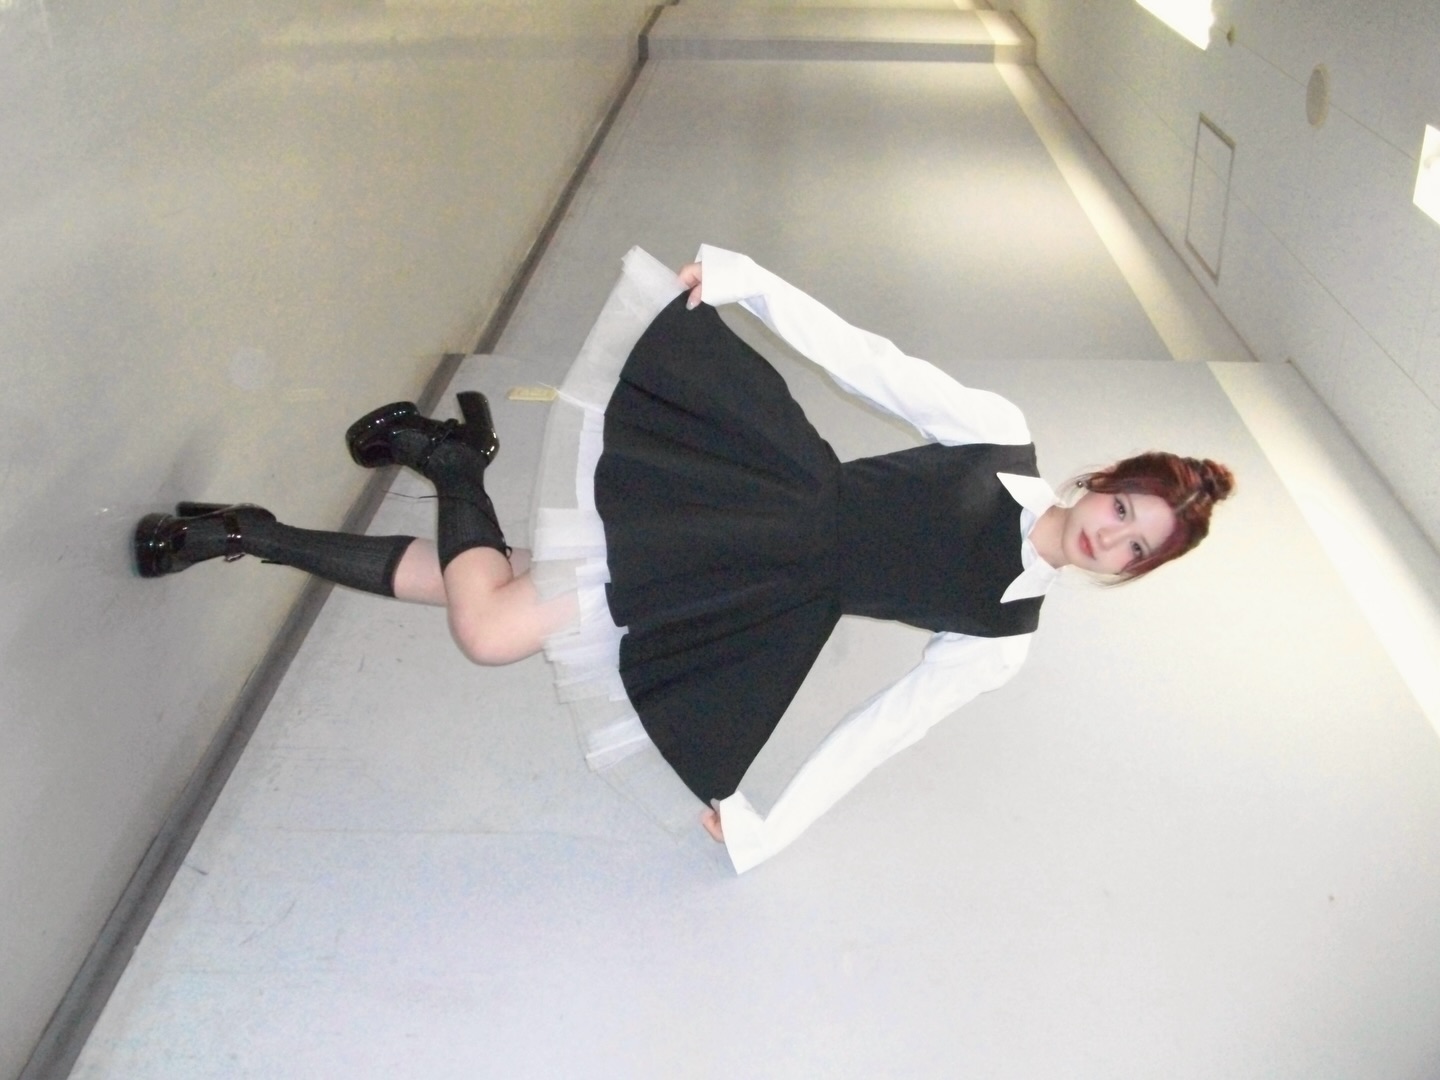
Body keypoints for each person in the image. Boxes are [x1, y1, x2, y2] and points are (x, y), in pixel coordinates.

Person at [134, 246, 1233, 873]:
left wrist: (766, 828)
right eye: (1123, 508)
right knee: (493, 627)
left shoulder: (1006, 637)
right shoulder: (999, 435)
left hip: (749, 600)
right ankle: (445, 465)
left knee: (493, 588)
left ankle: (251, 533)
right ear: (1104, 480)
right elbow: (875, 363)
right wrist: (750, 285)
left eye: (1135, 547)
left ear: (1129, 570)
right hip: (739, 494)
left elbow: (882, 730)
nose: (1111, 536)